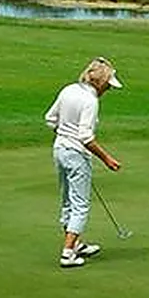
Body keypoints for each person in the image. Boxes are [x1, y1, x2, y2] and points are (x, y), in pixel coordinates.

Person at [44, 57, 123, 268]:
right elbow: (86, 137)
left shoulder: (69, 89)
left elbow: (50, 119)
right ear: (99, 82)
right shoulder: (91, 101)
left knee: (68, 200)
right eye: (107, 84)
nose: (108, 89)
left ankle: (76, 244)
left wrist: (64, 135)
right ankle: (68, 252)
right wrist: (107, 159)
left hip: (60, 150)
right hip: (76, 154)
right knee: (80, 204)